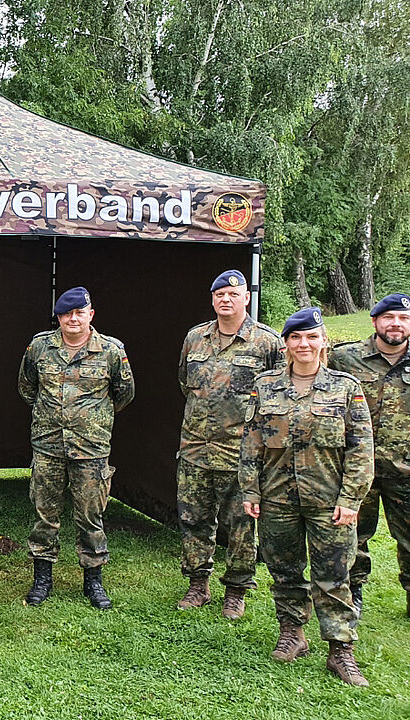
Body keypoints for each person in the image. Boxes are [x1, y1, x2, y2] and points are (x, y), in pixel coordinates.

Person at [241, 307, 374, 686]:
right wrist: (250, 488)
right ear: (286, 344)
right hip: (277, 497)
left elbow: (361, 449)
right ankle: (292, 633)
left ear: (323, 342)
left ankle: (340, 651)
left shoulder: (346, 388)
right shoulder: (265, 386)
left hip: (327, 499)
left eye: (311, 337)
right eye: (296, 337)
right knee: (284, 570)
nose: (304, 344)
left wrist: (351, 498)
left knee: (333, 574)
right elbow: (251, 444)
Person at [175, 270, 283, 618]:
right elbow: (184, 383)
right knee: (194, 519)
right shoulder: (195, 338)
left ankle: (236, 589)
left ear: (246, 298)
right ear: (212, 299)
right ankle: (197, 583)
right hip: (195, 448)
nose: (226, 299)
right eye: (220, 294)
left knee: (240, 525)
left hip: (241, 453)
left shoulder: (266, 342)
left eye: (233, 294)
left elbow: (279, 395)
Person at [18, 287, 134, 609]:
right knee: (45, 515)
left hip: (91, 449)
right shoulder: (40, 347)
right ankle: (42, 578)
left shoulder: (112, 351)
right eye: (66, 314)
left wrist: (92, 420)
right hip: (48, 446)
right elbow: (27, 388)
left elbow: (124, 393)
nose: (72, 319)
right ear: (58, 316)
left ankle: (93, 581)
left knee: (91, 516)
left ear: (90, 315)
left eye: (79, 313)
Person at [330, 293, 410, 617]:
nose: (396, 324)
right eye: (389, 317)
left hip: (405, 470)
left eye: (403, 318)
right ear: (374, 321)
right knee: (353, 537)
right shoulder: (344, 359)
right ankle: (353, 591)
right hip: (356, 468)